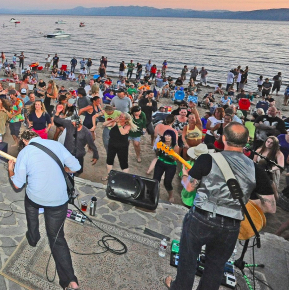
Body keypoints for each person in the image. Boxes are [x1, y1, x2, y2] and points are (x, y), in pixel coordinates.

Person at [163, 122, 276, 290]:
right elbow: (270, 207)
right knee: (215, 266)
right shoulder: (256, 169)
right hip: (231, 225)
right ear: (246, 142)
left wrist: (186, 175)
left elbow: (188, 187)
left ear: (223, 138)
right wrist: (245, 201)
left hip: (201, 218)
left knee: (188, 258)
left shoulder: (208, 158)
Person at [8, 130, 81, 290]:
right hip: (59, 200)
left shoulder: (25, 152)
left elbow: (17, 185)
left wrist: (11, 169)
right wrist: (64, 169)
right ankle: (70, 280)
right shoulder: (56, 145)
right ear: (37, 137)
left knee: (31, 207)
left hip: (36, 198)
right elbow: (76, 166)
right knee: (57, 238)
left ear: (25, 141)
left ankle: (33, 238)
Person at [53, 104, 98, 175]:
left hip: (78, 154)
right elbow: (57, 120)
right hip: (67, 152)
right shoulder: (69, 124)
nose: (74, 125)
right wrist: (57, 112)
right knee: (64, 169)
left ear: (80, 121)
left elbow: (91, 143)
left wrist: (95, 155)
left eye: (76, 123)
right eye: (73, 123)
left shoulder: (86, 132)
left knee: (78, 170)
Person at [103, 113, 135, 180]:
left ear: (126, 119)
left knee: (123, 162)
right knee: (109, 160)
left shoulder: (127, 126)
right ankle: (109, 176)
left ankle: (125, 178)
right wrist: (112, 120)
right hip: (112, 144)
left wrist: (119, 124)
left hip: (122, 147)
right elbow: (104, 124)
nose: (119, 117)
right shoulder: (114, 123)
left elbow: (122, 132)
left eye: (122, 117)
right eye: (120, 116)